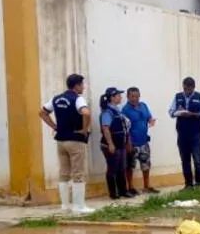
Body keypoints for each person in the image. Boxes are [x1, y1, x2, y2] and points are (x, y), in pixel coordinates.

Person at [39, 74, 95, 214]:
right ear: (76, 86)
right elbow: (86, 113)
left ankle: (64, 206)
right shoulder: (78, 99)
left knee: (64, 173)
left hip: (61, 140)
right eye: (82, 84)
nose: (83, 87)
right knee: (78, 173)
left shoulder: (56, 98)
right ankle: (79, 206)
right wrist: (84, 129)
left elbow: (42, 113)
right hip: (75, 140)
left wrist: (54, 126)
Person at [168, 77, 200, 189]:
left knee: (197, 159)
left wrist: (193, 114)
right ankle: (188, 184)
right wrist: (179, 113)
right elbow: (171, 112)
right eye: (185, 89)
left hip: (196, 133)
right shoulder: (178, 97)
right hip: (182, 133)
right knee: (185, 159)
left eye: (189, 89)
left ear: (193, 88)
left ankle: (199, 184)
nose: (186, 91)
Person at [122, 87, 159, 195]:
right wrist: (128, 143)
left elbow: (149, 117)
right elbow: (125, 128)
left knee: (146, 165)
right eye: (132, 96)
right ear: (128, 97)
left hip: (144, 142)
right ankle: (130, 187)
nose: (135, 99)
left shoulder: (144, 106)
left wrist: (151, 121)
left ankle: (146, 186)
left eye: (137, 96)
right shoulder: (125, 110)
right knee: (130, 167)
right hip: (132, 143)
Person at [99, 87, 133, 200]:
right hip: (112, 144)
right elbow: (105, 128)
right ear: (112, 98)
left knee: (121, 168)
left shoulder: (117, 110)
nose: (120, 97)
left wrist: (127, 140)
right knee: (112, 168)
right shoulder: (107, 112)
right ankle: (113, 193)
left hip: (120, 143)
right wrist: (110, 144)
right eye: (118, 95)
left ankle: (123, 191)